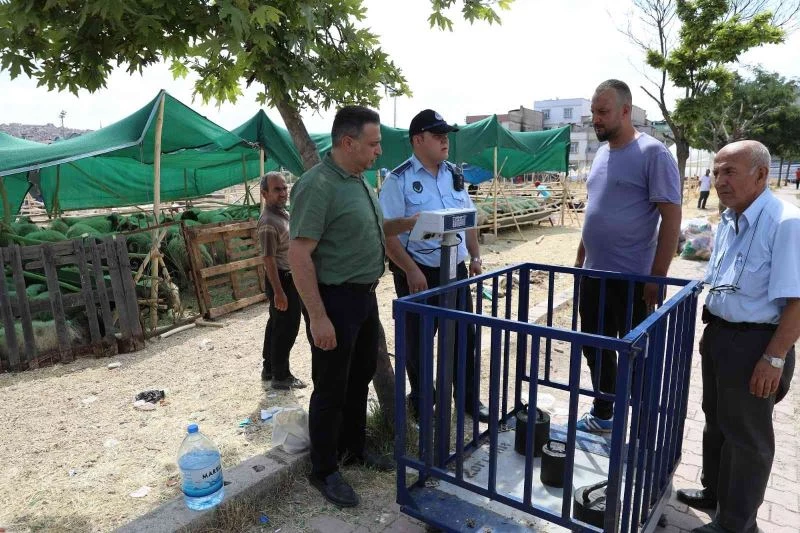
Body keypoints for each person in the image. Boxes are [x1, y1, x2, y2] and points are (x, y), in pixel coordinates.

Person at [288, 106, 416, 508]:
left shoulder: (359, 181)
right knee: (330, 385)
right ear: (348, 142)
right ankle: (324, 469)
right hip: (334, 299)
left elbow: (371, 229)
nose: (379, 150)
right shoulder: (317, 186)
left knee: (359, 375)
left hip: (363, 296)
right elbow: (298, 254)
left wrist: (410, 223)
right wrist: (318, 317)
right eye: (373, 143)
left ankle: (353, 448)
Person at [676, 140, 799, 533]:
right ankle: (715, 493)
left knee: (747, 439)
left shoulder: (785, 222)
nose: (719, 180)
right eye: (716, 172)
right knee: (717, 421)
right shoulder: (730, 218)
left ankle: (735, 524)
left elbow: (798, 301)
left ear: (761, 175)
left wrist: (774, 358)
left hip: (756, 344)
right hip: (720, 335)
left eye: (729, 171)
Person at [574, 79, 682, 433]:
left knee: (636, 354)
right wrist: (580, 260)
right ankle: (604, 413)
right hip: (595, 276)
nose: (596, 119)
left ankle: (642, 426)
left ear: (625, 111)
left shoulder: (653, 153)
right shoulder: (601, 154)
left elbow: (671, 217)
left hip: (633, 279)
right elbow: (595, 211)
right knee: (595, 347)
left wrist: (657, 275)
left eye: (603, 112)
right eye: (593, 112)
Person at [379, 109, 489, 424]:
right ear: (418, 140)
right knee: (419, 343)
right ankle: (423, 402)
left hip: (454, 270)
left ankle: (467, 400)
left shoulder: (454, 174)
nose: (445, 141)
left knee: (464, 336)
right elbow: (387, 233)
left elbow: (468, 219)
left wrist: (475, 256)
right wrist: (410, 270)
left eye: (446, 136)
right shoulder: (398, 180)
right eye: (438, 136)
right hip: (418, 272)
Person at [258, 172, 306, 390]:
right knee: (287, 328)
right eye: (277, 189)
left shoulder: (282, 214)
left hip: (286, 278)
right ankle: (281, 375)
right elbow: (268, 259)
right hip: (281, 280)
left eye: (285, 188)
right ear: (264, 193)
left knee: (276, 324)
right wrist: (279, 292)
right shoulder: (269, 221)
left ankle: (269, 368)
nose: (283, 193)